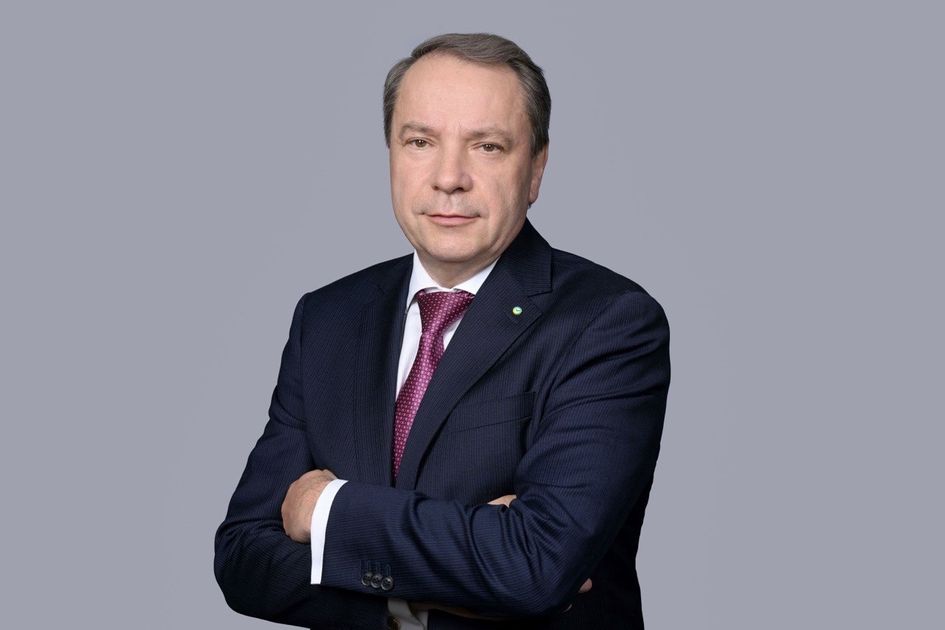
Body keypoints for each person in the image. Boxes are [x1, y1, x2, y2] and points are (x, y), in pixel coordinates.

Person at [215, 33, 670, 630]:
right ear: (391, 153)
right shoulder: (326, 319)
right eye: (420, 142)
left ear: (536, 168)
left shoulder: (608, 323)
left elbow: (535, 566)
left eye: (487, 146)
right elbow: (243, 558)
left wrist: (325, 508)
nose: (448, 178)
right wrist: (430, 586)